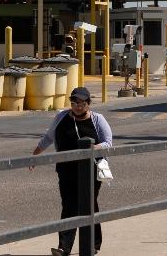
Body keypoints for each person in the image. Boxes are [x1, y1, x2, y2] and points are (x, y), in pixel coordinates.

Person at [31, 86, 113, 256]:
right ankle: (64, 247)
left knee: (89, 205)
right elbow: (49, 137)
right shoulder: (61, 116)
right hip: (66, 169)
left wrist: (92, 148)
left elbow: (108, 143)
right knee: (69, 205)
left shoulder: (98, 119)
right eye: (74, 102)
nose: (77, 106)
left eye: (81, 102)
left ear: (88, 103)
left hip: (91, 170)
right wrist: (35, 155)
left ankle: (92, 244)